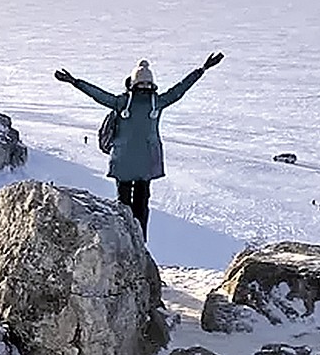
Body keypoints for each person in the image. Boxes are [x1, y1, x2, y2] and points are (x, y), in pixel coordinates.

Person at [54, 53, 223, 239]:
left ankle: (125, 239)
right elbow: (179, 89)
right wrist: (202, 69)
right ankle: (140, 240)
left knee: (123, 204)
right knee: (142, 203)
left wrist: (75, 82)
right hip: (146, 162)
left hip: (123, 160)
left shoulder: (122, 103)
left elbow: (98, 95)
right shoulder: (156, 103)